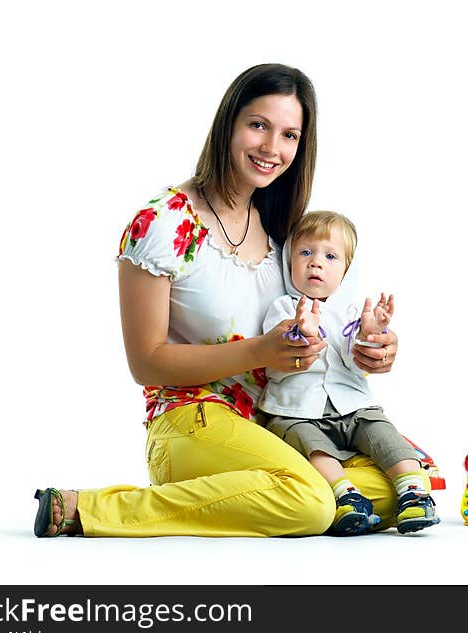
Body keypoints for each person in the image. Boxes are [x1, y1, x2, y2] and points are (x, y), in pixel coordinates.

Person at [32, 63, 401, 538]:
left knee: (403, 483)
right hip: (190, 419)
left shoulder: (284, 230)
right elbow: (145, 364)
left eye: (290, 135)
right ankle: (90, 508)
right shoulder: (163, 223)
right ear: (229, 123)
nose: (273, 148)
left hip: (280, 423)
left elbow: (334, 323)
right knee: (313, 501)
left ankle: (255, 495)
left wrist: (372, 347)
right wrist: (260, 352)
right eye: (259, 125)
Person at [259, 210, 440, 535]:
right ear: (288, 262)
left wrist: (369, 335)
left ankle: (414, 493)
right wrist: (302, 330)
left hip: (353, 407)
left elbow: (357, 359)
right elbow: (281, 346)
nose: (316, 263)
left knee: (385, 434)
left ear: (346, 271)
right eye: (305, 252)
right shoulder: (284, 308)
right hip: (297, 410)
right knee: (310, 445)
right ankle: (347, 496)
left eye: (330, 256)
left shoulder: (353, 312)